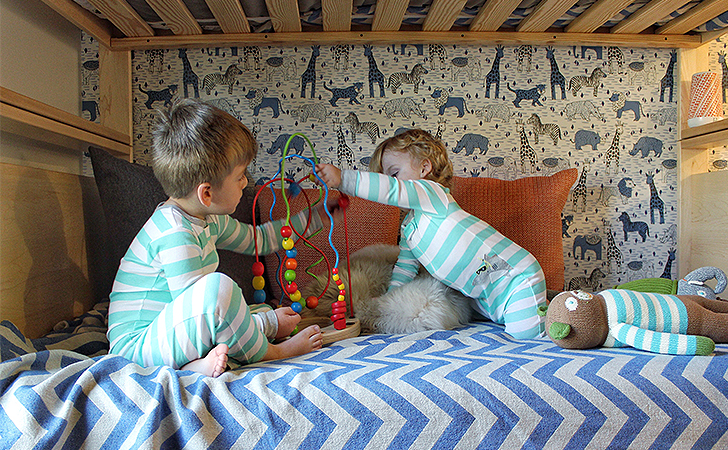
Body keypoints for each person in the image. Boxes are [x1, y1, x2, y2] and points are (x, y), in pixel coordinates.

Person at [108, 98, 334, 377]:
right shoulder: (175, 233)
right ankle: (274, 353)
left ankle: (193, 367)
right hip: (136, 351)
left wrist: (315, 219)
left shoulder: (207, 219)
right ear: (207, 194)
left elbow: (258, 240)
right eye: (240, 176)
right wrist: (268, 326)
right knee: (219, 289)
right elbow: (203, 313)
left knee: (255, 307)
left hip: (172, 335)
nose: (246, 183)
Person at [315, 129, 547, 339]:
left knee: (531, 339)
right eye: (386, 176)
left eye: (394, 173)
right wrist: (387, 300)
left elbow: (393, 191)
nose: (390, 182)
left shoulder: (434, 195)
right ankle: (551, 309)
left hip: (513, 278)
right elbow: (405, 269)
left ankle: (564, 313)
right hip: (483, 297)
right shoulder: (410, 229)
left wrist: (343, 179)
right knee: (523, 325)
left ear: (425, 168)